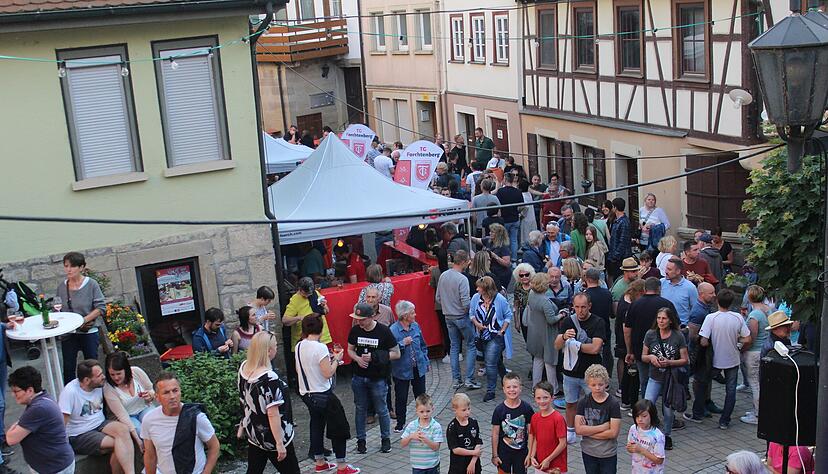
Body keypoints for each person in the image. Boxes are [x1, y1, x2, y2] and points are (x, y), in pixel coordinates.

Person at [295, 316, 360, 474]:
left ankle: (320, 462)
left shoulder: (299, 345)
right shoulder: (320, 347)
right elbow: (328, 373)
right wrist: (336, 360)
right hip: (322, 394)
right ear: (321, 328)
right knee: (339, 428)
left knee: (316, 425)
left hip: (307, 394)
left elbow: (302, 368)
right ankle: (342, 466)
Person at [59, 360, 135, 474]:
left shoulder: (100, 384)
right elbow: (62, 422)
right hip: (79, 433)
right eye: (99, 375)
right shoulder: (70, 392)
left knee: (124, 430)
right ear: (86, 380)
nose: (103, 377)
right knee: (120, 444)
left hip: (100, 423)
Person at [238, 332, 299, 473]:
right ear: (268, 351)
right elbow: (273, 414)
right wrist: (279, 443)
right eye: (275, 346)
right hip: (273, 436)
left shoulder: (244, 367)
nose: (277, 348)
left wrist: (243, 424)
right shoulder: (269, 378)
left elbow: (243, 399)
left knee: (254, 470)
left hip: (254, 432)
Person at [141, 372, 220, 474]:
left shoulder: (196, 417)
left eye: (175, 391)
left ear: (180, 392)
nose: (172, 396)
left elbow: (214, 446)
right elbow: (150, 455)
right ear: (157, 397)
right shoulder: (149, 420)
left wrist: (206, 472)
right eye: (166, 393)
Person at [347, 303, 400, 454]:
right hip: (359, 377)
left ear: (371, 317)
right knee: (360, 409)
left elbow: (396, 353)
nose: (359, 322)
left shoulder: (383, 331)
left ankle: (385, 439)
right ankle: (361, 441)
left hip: (378, 378)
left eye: (362, 319)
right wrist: (357, 359)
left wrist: (375, 357)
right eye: (357, 319)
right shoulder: (355, 330)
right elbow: (350, 349)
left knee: (382, 409)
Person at [554, 293, 606, 445]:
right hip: (570, 372)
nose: (580, 310)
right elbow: (557, 345)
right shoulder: (568, 321)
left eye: (583, 307)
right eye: (576, 307)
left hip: (591, 374)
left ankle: (592, 431)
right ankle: (570, 431)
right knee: (570, 403)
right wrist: (564, 337)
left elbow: (595, 348)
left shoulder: (598, 322)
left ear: (589, 306)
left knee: (594, 404)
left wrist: (576, 345)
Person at [6, 366, 75, 474]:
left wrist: (15, 426)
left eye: (16, 391)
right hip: (51, 465)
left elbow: (11, 439)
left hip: (54, 468)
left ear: (30, 390)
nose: (13, 395)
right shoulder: (43, 399)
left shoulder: (38, 408)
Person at [698, 290, 751, 429]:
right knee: (731, 390)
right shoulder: (738, 317)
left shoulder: (711, 318)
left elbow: (703, 341)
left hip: (714, 359)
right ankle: (725, 420)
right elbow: (747, 338)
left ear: (717, 301)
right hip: (732, 358)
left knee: (703, 383)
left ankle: (699, 411)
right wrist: (737, 341)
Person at [641, 307, 688, 450]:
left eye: (664, 318)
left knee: (668, 410)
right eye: (659, 318)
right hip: (654, 376)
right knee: (647, 405)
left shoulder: (678, 336)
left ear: (670, 320)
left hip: (670, 379)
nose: (661, 321)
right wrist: (651, 357)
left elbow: (685, 359)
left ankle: (666, 435)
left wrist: (670, 362)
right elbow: (643, 356)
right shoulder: (650, 334)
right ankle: (648, 434)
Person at [57, 251, 106, 384]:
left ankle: (96, 392)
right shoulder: (62, 287)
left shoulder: (91, 284)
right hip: (69, 333)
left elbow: (100, 308)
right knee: (68, 368)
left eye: (72, 266)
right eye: (66, 266)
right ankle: (70, 394)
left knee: (92, 367)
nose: (68, 269)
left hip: (88, 330)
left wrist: (83, 320)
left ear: (81, 267)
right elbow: (59, 309)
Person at [624, 278, 677, 398]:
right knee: (666, 382)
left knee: (645, 381)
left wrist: (629, 351)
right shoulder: (667, 304)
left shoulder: (634, 305)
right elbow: (676, 327)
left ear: (644, 289)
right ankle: (666, 405)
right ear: (659, 289)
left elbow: (627, 331)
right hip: (665, 350)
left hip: (640, 350)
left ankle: (646, 406)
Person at [436, 250, 479, 390]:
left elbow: (438, 298)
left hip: (448, 317)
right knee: (471, 345)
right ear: (464, 262)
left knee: (454, 347)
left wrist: (448, 306)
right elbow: (466, 302)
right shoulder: (462, 279)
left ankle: (456, 380)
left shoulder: (443, 276)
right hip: (461, 316)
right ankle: (469, 379)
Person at [470, 276, 514, 402]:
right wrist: (477, 324)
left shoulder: (499, 299)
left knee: (489, 363)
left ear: (486, 289)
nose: (477, 289)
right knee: (495, 360)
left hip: (495, 336)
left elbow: (508, 315)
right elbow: (471, 314)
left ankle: (491, 391)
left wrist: (502, 331)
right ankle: (505, 378)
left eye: (479, 287)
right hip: (481, 336)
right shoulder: (476, 298)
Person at [390, 301, 431, 433]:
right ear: (405, 315)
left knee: (421, 396)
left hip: (418, 367)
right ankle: (400, 423)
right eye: (412, 313)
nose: (415, 315)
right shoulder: (393, 330)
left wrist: (425, 360)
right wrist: (402, 343)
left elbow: (423, 345)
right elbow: (390, 350)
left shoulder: (415, 326)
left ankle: (424, 420)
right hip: (401, 370)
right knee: (401, 397)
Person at [574, 364, 621, 473]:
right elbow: (579, 430)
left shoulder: (613, 403)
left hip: (608, 453)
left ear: (606, 383)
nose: (597, 388)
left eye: (600, 384)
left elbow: (613, 433)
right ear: (588, 384)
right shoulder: (583, 402)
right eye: (593, 385)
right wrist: (603, 427)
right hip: (588, 451)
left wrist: (588, 431)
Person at [103, 351, 155, 449]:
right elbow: (122, 415)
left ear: (126, 370)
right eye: (112, 374)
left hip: (144, 407)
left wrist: (150, 395)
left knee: (154, 425)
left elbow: (151, 389)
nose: (116, 378)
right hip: (128, 416)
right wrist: (138, 440)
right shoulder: (108, 388)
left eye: (119, 373)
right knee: (141, 433)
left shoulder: (136, 372)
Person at [525, 273, 563, 390]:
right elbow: (551, 320)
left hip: (535, 332)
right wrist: (561, 315)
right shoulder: (544, 301)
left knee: (538, 359)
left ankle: (535, 387)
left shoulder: (531, 294)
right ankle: (553, 389)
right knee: (549, 362)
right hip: (547, 334)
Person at [739, 285, 771, 425]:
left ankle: (758, 414)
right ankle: (758, 410)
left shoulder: (755, 316)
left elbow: (751, 338)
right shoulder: (768, 310)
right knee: (759, 382)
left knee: (755, 383)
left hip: (754, 352)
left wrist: (743, 349)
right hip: (764, 349)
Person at [491, 373, 534, 474]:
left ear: (520, 388)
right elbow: (495, 434)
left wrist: (530, 454)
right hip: (503, 453)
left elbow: (531, 433)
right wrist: (495, 455)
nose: (512, 390)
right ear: (503, 389)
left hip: (521, 452)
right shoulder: (499, 410)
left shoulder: (527, 408)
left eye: (515, 386)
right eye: (508, 387)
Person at [283, 277, 332, 361]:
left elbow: (326, 311)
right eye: (306, 293)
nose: (308, 295)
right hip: (305, 340)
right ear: (300, 289)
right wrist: (299, 317)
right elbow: (285, 320)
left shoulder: (315, 293)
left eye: (310, 293)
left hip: (321, 336)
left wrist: (324, 306)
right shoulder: (295, 300)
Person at [615, 280, 645, 406]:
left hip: (621, 338)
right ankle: (629, 399)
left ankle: (624, 396)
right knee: (631, 371)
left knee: (627, 367)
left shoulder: (624, 298)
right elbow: (626, 328)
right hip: (627, 341)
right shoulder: (629, 306)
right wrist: (630, 350)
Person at [527, 382, 567, 474]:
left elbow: (563, 443)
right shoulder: (535, 417)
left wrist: (548, 459)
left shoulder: (558, 418)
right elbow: (536, 439)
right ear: (534, 399)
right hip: (540, 464)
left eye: (545, 397)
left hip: (556, 467)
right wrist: (532, 456)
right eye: (538, 398)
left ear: (552, 397)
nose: (542, 401)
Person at [400, 394, 443, 474]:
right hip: (417, 466)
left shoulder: (436, 426)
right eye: (422, 412)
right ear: (416, 411)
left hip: (432, 465)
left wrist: (425, 439)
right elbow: (402, 444)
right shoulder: (411, 425)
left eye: (428, 411)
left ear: (432, 409)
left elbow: (436, 447)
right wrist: (411, 436)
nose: (425, 414)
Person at [446, 393, 483, 474]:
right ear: (455, 410)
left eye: (469, 409)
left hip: (474, 465)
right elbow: (455, 449)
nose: (467, 412)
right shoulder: (452, 427)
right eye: (464, 410)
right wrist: (473, 452)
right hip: (458, 467)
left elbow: (478, 443)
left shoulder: (473, 422)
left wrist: (473, 462)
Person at [626, 399, 665, 473]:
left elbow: (659, 460)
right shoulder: (633, 429)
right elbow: (630, 448)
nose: (640, 419)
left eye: (644, 416)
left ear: (652, 415)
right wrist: (630, 448)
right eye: (637, 416)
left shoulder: (657, 436)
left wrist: (641, 450)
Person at [660, 258, 699, 327]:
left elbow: (695, 310)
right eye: (666, 268)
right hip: (662, 326)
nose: (665, 271)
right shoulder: (661, 283)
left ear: (678, 271)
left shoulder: (690, 288)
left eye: (669, 269)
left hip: (680, 328)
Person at [473, 223, 512, 290]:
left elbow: (507, 263)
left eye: (492, 232)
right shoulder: (488, 240)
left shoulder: (503, 246)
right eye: (490, 231)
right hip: (491, 271)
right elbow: (477, 240)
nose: (490, 233)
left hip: (501, 273)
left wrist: (494, 256)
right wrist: (468, 237)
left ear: (498, 234)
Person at [496, 173, 525, 260]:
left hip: (504, 219)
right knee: (514, 240)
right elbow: (522, 206)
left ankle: (506, 258)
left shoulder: (500, 191)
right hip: (515, 218)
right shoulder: (518, 192)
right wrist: (518, 211)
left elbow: (498, 205)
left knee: (505, 240)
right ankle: (514, 259)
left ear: (505, 179)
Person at [607, 198, 632, 283]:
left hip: (621, 258)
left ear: (615, 207)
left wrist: (615, 256)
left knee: (619, 279)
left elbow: (623, 242)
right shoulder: (617, 221)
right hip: (617, 257)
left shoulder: (623, 222)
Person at [509, 263, 535, 337]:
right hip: (523, 313)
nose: (524, 277)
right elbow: (516, 304)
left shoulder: (535, 285)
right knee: (526, 336)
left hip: (535, 314)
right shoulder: (517, 285)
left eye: (527, 275)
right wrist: (516, 321)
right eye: (521, 275)